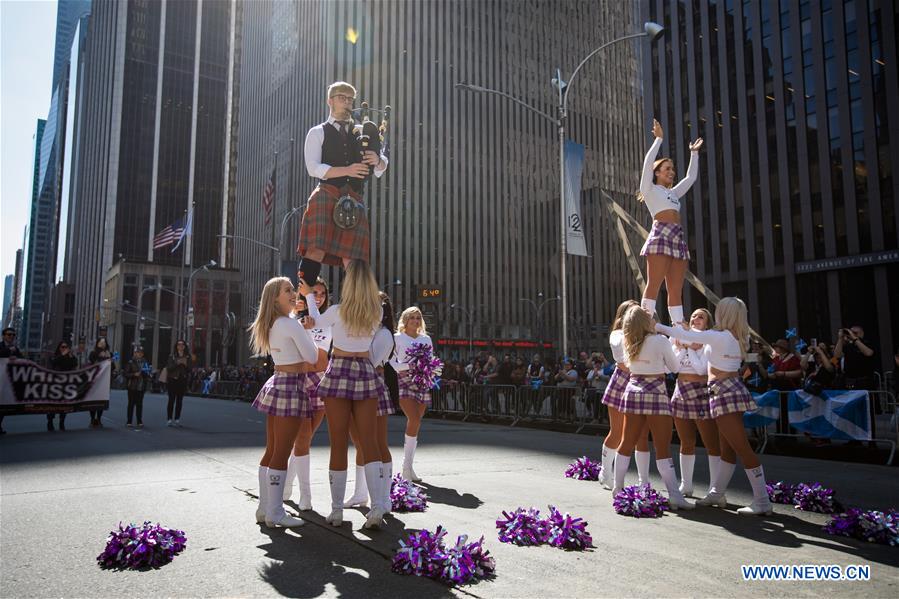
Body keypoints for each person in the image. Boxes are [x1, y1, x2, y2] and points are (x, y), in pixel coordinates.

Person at [656, 297, 773, 515]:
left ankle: (762, 500)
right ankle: (717, 492)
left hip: (723, 391)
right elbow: (690, 339)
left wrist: (656, 326)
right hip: (726, 389)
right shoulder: (737, 336)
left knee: (741, 447)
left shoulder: (720, 336)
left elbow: (686, 336)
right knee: (728, 446)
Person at [304, 260, 387, 529]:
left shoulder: (337, 312)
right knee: (369, 441)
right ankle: (376, 510)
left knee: (338, 441)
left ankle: (337, 511)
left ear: (348, 285)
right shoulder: (376, 312)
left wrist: (307, 293)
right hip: (364, 370)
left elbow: (314, 321)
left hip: (339, 369)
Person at [296, 81, 389, 286]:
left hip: (354, 198)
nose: (347, 103)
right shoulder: (317, 132)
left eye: (350, 99)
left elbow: (382, 166)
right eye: (342, 98)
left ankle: (356, 312)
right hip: (327, 194)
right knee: (315, 250)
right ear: (330, 101)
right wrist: (347, 170)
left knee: (353, 260)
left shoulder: (362, 131)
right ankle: (304, 307)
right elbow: (313, 168)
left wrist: (378, 160)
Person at [249, 277, 319, 528]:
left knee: (272, 449)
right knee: (282, 451)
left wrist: (301, 327)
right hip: (291, 385)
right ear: (275, 298)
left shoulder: (274, 323)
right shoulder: (290, 324)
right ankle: (275, 512)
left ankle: (264, 507)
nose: (294, 294)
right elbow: (312, 356)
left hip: (278, 381)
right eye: (287, 291)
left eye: (293, 289)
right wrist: (306, 331)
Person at [613, 305, 692, 510]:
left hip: (633, 390)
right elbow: (675, 368)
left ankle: (617, 488)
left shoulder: (626, 341)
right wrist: (676, 349)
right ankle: (675, 495)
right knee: (662, 446)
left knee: (626, 442)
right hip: (656, 391)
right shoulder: (660, 340)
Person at [638, 118, 703, 326]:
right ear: (657, 172)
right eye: (667, 168)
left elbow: (691, 178)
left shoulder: (673, 193)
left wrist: (694, 154)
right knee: (654, 284)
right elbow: (647, 164)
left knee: (676, 288)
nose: (671, 171)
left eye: (672, 168)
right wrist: (658, 140)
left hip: (678, 237)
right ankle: (644, 322)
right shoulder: (649, 189)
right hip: (660, 234)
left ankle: (678, 326)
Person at [343, 291, 398, 514]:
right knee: (360, 442)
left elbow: (369, 361)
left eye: (379, 304)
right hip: (354, 388)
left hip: (373, 388)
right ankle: (360, 492)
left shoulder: (384, 334)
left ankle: (385, 498)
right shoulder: (364, 330)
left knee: (377, 442)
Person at [282, 278, 331, 510]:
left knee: (306, 439)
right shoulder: (293, 319)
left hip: (321, 381)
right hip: (299, 380)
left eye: (322, 293)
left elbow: (322, 355)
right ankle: (306, 495)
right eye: (314, 292)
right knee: (301, 439)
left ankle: (288, 483)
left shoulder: (328, 320)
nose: (319, 296)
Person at [598, 300, 651, 490]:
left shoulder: (645, 335)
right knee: (618, 432)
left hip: (641, 381)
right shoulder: (616, 334)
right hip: (622, 381)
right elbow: (622, 361)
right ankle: (605, 471)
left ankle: (643, 481)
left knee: (642, 435)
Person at [669, 308, 720, 498]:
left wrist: (687, 346)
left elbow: (701, 370)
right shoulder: (678, 340)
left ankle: (716, 488)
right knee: (686, 441)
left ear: (707, 324)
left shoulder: (709, 343)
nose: (696, 319)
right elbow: (672, 367)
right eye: (693, 316)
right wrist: (684, 346)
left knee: (711, 442)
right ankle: (686, 485)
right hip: (681, 390)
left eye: (701, 317)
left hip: (701, 392)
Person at [390, 306, 434, 483]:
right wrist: (407, 367)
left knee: (416, 422)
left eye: (418, 318)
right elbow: (390, 360)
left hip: (422, 381)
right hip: (404, 380)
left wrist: (432, 371)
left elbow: (430, 360)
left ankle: (408, 466)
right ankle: (406, 468)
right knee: (414, 418)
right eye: (412, 318)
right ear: (405, 320)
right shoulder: (397, 338)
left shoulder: (426, 339)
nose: (415, 321)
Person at [47, 341, 79, 431]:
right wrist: (62, 355)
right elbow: (53, 363)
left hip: (66, 384)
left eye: (66, 347)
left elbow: (75, 364)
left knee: (64, 404)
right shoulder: (54, 356)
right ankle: (50, 421)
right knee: (53, 404)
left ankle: (62, 422)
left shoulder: (70, 357)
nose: (64, 348)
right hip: (55, 384)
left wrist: (71, 356)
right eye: (62, 347)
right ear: (59, 348)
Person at [833, 325, 876, 390]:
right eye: (851, 332)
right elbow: (837, 356)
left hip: (865, 381)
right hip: (850, 382)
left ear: (862, 334)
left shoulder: (867, 343)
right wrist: (840, 338)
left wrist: (854, 338)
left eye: (855, 333)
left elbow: (868, 353)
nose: (852, 334)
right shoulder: (848, 346)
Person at [0, 327, 24, 434]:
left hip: (8, 381)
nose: (11, 337)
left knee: (3, 403)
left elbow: (22, 359)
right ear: (3, 336)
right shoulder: (2, 347)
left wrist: (17, 359)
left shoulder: (16, 348)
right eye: (9, 334)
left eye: (13, 335)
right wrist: (9, 351)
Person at [124, 346, 152, 429]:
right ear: (134, 353)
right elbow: (125, 374)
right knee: (131, 404)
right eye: (136, 352)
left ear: (142, 354)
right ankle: (129, 421)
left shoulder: (145, 362)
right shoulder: (130, 362)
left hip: (141, 386)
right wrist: (133, 374)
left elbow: (147, 374)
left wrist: (146, 373)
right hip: (132, 386)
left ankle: (139, 420)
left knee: (139, 404)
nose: (138, 354)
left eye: (140, 352)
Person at [88, 338, 112, 427]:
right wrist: (100, 356)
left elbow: (112, 367)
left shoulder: (109, 353)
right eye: (100, 342)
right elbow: (92, 363)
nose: (102, 344)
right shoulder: (93, 353)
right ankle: (92, 419)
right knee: (93, 400)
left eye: (104, 342)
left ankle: (99, 418)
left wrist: (109, 359)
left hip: (105, 381)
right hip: (95, 379)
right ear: (97, 343)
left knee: (102, 400)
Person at [165, 340, 190, 426]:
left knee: (180, 400)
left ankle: (177, 419)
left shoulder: (187, 356)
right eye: (179, 344)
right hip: (172, 380)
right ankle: (169, 419)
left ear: (184, 346)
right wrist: (177, 363)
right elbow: (169, 368)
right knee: (171, 400)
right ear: (176, 346)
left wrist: (186, 365)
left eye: (182, 344)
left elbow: (190, 369)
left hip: (182, 380)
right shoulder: (172, 356)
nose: (181, 346)